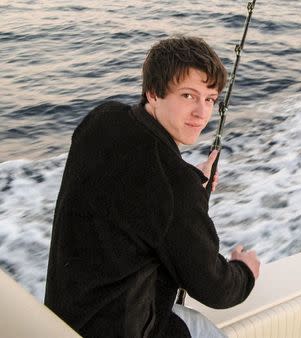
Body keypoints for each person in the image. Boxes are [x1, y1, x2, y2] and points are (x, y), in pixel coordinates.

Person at [44, 35, 260, 338]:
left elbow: (131, 198)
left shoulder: (101, 120)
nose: (202, 113)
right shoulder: (174, 187)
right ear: (154, 93)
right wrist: (245, 273)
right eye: (188, 96)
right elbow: (215, 289)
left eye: (210, 99)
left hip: (65, 319)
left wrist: (189, 183)